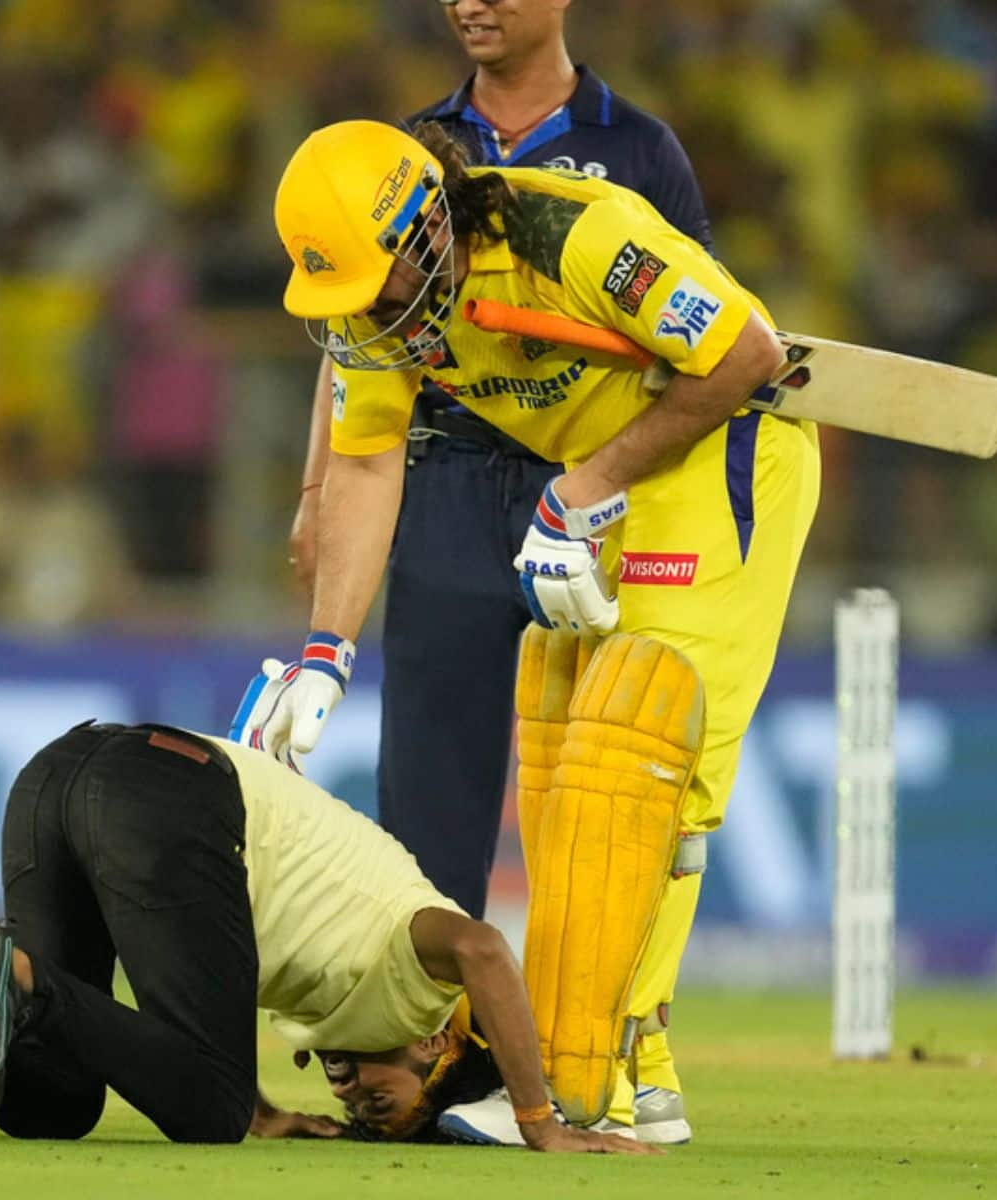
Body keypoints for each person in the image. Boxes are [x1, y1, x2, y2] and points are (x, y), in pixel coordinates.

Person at [240, 118, 819, 1139]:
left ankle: (596, 1080)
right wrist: (326, 652)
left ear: (427, 230)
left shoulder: (574, 236)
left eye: (375, 284)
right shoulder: (381, 322)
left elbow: (747, 355)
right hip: (614, 482)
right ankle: (637, 1075)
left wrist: (581, 487)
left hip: (728, 454)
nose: (369, 318)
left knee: (643, 763)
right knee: (567, 769)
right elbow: (369, 465)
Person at [284, 0, 712, 929]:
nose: (469, 3)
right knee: (430, 785)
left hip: (592, 489)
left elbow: (705, 339)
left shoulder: (638, 149)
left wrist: (615, 484)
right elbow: (357, 335)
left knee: (601, 780)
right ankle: (442, 1051)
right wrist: (319, 487)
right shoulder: (406, 153)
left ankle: (587, 1035)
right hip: (443, 476)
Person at [0, 715, 652, 1152]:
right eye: (382, 1097)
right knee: (210, 1113)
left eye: (358, 1110)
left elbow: (191, 1009)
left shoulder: (337, 1002)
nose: (351, 1097)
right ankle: (12, 975)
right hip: (165, 794)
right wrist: (541, 1121)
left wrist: (270, 1110)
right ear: (437, 1042)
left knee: (53, 1098)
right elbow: (485, 949)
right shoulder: (422, 976)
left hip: (56, 780)